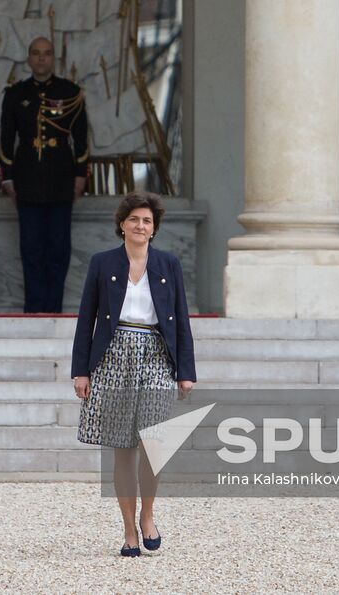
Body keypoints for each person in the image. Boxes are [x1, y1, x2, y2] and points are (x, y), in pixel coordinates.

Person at [71, 192, 197, 557]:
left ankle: (148, 515)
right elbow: (86, 320)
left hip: (156, 353)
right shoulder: (102, 263)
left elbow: (181, 317)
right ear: (122, 225)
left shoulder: (168, 264)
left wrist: (185, 371)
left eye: (147, 221)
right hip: (113, 357)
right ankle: (128, 530)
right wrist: (82, 371)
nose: (140, 226)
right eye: (134, 220)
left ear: (154, 229)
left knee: (153, 442)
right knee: (123, 447)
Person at [0, 36, 88, 313]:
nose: (41, 58)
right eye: (36, 53)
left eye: (46, 53)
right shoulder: (15, 94)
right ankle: (34, 309)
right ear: (28, 58)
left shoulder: (70, 91)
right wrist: (8, 178)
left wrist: (80, 175)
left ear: (53, 58)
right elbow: (5, 140)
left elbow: (81, 139)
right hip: (27, 180)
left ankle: (54, 308)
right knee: (31, 249)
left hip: (61, 180)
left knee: (58, 250)